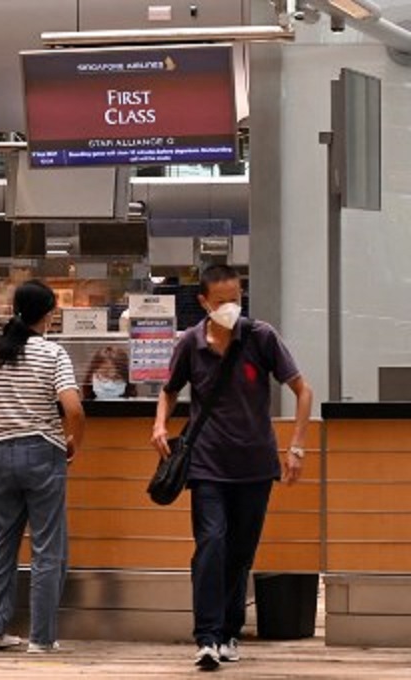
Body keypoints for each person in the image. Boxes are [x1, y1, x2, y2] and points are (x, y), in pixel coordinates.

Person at [149, 265, 313, 671]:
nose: (230, 308)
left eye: (235, 299)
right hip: (206, 464)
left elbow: (302, 390)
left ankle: (229, 631)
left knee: (240, 552)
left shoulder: (260, 337)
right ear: (203, 301)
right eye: (221, 301)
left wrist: (296, 448)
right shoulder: (190, 343)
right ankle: (207, 636)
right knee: (211, 544)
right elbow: (169, 392)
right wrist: (158, 424)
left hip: (256, 464)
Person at [0, 280, 85, 654]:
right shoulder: (53, 354)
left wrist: (3, 427)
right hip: (43, 454)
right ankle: (42, 638)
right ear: (48, 314)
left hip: (1, 454)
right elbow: (74, 408)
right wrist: (72, 441)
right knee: (48, 549)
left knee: (0, 546)